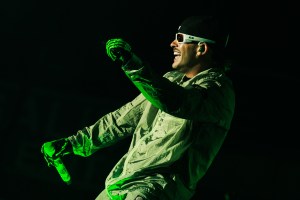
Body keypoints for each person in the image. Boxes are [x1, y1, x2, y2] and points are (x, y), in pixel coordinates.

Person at [41, 15, 235, 200]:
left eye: (180, 38)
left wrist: (132, 64)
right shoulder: (172, 80)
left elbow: (177, 102)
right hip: (123, 183)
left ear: (201, 48)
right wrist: (72, 144)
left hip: (157, 189)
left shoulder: (218, 91)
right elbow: (122, 119)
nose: (172, 43)